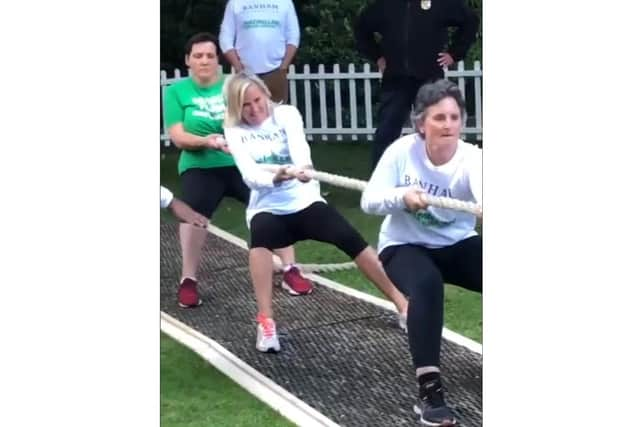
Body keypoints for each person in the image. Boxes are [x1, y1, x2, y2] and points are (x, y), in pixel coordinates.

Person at [222, 71, 409, 353]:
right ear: (236, 108)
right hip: (268, 206)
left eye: (257, 100)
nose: (254, 109)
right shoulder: (235, 132)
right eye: (245, 105)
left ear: (266, 95)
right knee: (259, 238)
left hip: (304, 201)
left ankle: (403, 304)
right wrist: (276, 177)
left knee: (350, 239)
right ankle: (266, 322)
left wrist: (304, 169)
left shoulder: (286, 114)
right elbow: (249, 175)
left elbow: (300, 148)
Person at [361, 79, 481, 427]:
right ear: (420, 123)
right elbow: (369, 200)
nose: (447, 125)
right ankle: (430, 394)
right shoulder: (402, 151)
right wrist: (402, 196)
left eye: (454, 117)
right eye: (439, 117)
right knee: (426, 286)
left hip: (456, 243)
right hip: (404, 245)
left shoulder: (472, 159)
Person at [162, 32, 312, 309]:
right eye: (198, 56)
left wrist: (237, 141)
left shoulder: (233, 85)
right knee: (194, 213)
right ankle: (188, 280)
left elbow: (258, 116)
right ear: (188, 61)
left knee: (275, 202)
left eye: (209, 55)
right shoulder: (175, 92)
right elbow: (178, 136)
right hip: (200, 165)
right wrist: (209, 141)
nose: (204, 61)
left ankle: (290, 269)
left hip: (245, 162)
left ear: (217, 59)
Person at [355, 0, 479, 171]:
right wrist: (377, 56)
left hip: (430, 79)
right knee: (386, 132)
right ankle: (381, 180)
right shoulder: (385, 5)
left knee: (435, 130)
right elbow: (361, 28)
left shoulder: (440, 3)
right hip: (396, 80)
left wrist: (455, 53)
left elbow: (470, 21)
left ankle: (439, 176)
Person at [219, 0, 300, 103]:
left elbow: (293, 36)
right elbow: (225, 38)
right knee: (245, 115)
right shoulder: (235, 3)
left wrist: (283, 67)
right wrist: (238, 67)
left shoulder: (285, 2)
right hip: (245, 73)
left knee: (278, 115)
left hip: (276, 72)